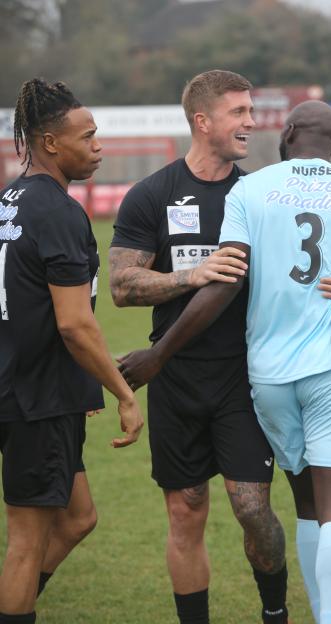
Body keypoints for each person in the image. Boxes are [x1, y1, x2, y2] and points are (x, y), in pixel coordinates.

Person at [120, 99, 331, 624]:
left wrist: (159, 352)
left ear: (290, 132)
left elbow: (224, 285)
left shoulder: (249, 190)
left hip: (270, 376)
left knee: (306, 505)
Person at [0, 78, 143, 624]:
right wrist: (123, 392)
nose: (98, 145)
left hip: (26, 386)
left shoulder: (10, 200)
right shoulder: (58, 212)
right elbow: (75, 325)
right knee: (25, 541)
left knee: (79, 518)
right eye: (87, 136)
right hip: (36, 397)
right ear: (50, 143)